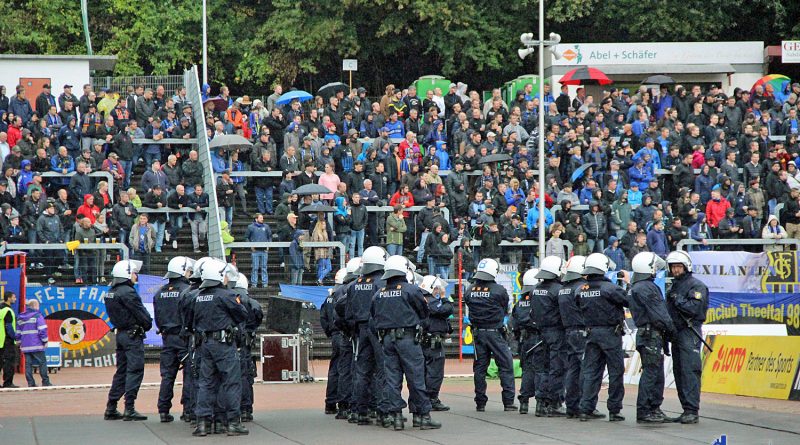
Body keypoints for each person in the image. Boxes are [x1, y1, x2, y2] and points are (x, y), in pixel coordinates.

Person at [372, 256, 441, 430]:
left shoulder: (379, 293)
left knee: (392, 379)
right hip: (408, 339)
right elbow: (424, 312)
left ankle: (396, 417)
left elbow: (373, 316)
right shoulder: (410, 290)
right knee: (416, 377)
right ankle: (422, 416)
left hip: (387, 340)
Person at [187, 259, 249, 436]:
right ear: (219, 276)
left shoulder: (197, 296)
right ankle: (232, 423)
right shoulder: (226, 295)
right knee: (231, 382)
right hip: (223, 344)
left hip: (204, 344)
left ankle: (203, 423)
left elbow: (190, 321)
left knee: (206, 383)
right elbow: (242, 314)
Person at [338, 246, 389, 425]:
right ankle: (383, 410)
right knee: (383, 369)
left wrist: (352, 328)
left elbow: (345, 308)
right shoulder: (381, 283)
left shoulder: (354, 285)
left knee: (361, 371)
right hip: (377, 329)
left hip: (360, 330)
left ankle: (360, 410)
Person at [577, 253, 628, 422]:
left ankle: (586, 408)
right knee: (615, 372)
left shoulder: (581, 290)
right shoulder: (610, 288)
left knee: (591, 372)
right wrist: (628, 284)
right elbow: (628, 300)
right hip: (610, 334)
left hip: (591, 333)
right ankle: (614, 409)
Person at [628, 252, 677, 424]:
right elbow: (660, 314)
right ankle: (647, 410)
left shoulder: (635, 287)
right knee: (652, 373)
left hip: (644, 334)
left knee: (652, 372)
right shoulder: (648, 287)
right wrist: (672, 331)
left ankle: (652, 409)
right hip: (652, 335)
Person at [464, 258, 516, 412]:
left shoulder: (469, 290)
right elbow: (505, 307)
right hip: (495, 333)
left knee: (479, 369)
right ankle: (508, 402)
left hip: (478, 333)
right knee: (506, 366)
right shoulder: (499, 290)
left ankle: (480, 402)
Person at [104, 259, 152, 421]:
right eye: (133, 272)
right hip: (132, 335)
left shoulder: (111, 292)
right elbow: (142, 315)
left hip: (121, 334)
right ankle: (129, 407)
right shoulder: (128, 292)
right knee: (135, 370)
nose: (135, 275)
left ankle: (111, 406)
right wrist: (147, 324)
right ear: (126, 274)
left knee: (121, 371)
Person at [665, 250, 709, 424]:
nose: (675, 270)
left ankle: (692, 410)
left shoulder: (696, 286)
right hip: (676, 332)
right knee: (679, 371)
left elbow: (694, 308)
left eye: (678, 266)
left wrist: (678, 300)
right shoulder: (672, 287)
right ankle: (686, 409)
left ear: (686, 266)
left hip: (690, 331)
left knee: (690, 370)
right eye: (673, 267)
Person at [153, 256, 195, 423]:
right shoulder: (188, 291)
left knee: (167, 376)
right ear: (183, 271)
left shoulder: (160, 292)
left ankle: (163, 410)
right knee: (189, 375)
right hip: (184, 338)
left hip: (167, 338)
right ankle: (188, 410)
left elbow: (158, 318)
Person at [530, 256, 566, 417]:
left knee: (542, 369)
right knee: (557, 368)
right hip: (556, 332)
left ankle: (540, 402)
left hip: (540, 333)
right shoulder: (558, 290)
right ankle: (554, 403)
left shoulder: (536, 289)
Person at [230, 273, 263, 423]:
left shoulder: (227, 298)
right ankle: (246, 410)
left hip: (229, 343)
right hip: (245, 344)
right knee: (245, 376)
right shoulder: (252, 302)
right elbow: (258, 318)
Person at [557, 256, 588, 418]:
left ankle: (571, 405)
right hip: (582, 331)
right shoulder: (581, 287)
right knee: (585, 368)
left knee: (572, 369)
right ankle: (584, 404)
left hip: (568, 331)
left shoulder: (563, 289)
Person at [418, 276, 453, 413]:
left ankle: (426, 398)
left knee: (425, 370)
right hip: (432, 342)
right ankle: (432, 399)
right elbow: (446, 309)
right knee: (435, 371)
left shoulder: (422, 299)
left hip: (424, 340)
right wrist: (444, 297)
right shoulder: (430, 301)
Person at [512, 268, 540, 414]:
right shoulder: (540, 298)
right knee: (542, 370)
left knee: (527, 370)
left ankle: (524, 401)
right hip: (538, 337)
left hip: (525, 339)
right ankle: (542, 402)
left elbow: (514, 324)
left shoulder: (520, 302)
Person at [15, 298, 51, 387]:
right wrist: (45, 341)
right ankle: (45, 382)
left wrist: (19, 342)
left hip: (25, 346)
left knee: (28, 364)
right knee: (42, 362)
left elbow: (18, 332)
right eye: (38, 306)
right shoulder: (38, 316)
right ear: (35, 306)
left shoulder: (21, 317)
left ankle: (31, 383)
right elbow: (42, 330)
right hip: (37, 345)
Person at [245, 213, 271, 287]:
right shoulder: (250, 227)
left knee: (264, 267)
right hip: (255, 251)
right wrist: (251, 246)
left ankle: (265, 283)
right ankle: (254, 284)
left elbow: (269, 237)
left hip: (264, 251)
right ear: (256, 219)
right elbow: (246, 237)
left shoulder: (266, 227)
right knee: (255, 268)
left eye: (262, 217)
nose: (262, 219)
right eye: (260, 218)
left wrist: (268, 246)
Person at [0, 292, 19, 387]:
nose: (15, 299)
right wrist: (15, 337)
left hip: (0, 340)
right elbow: (9, 327)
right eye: (14, 297)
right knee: (9, 362)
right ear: (8, 298)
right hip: (7, 341)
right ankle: (8, 382)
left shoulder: (0, 309)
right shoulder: (8, 310)